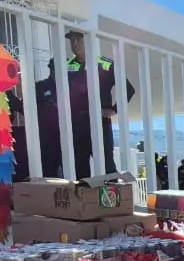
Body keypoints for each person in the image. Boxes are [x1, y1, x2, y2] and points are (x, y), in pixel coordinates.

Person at [37, 31, 136, 179]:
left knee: (106, 166)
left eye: (78, 40)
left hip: (99, 123)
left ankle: (114, 200)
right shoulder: (68, 66)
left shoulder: (105, 64)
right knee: (79, 169)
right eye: (72, 41)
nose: (75, 44)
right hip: (76, 125)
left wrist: (114, 110)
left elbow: (128, 90)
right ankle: (85, 201)